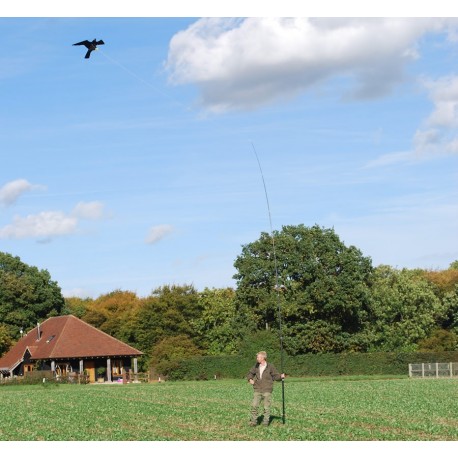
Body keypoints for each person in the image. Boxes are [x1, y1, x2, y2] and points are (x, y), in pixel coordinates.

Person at [246, 351, 285, 426]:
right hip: (257, 388)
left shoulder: (270, 366)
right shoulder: (256, 366)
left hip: (267, 389)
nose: (257, 358)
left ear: (263, 358)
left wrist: (280, 376)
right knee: (254, 405)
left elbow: (275, 376)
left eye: (258, 357)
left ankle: (265, 422)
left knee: (266, 407)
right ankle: (254, 421)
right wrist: (250, 379)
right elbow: (250, 373)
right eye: (257, 357)